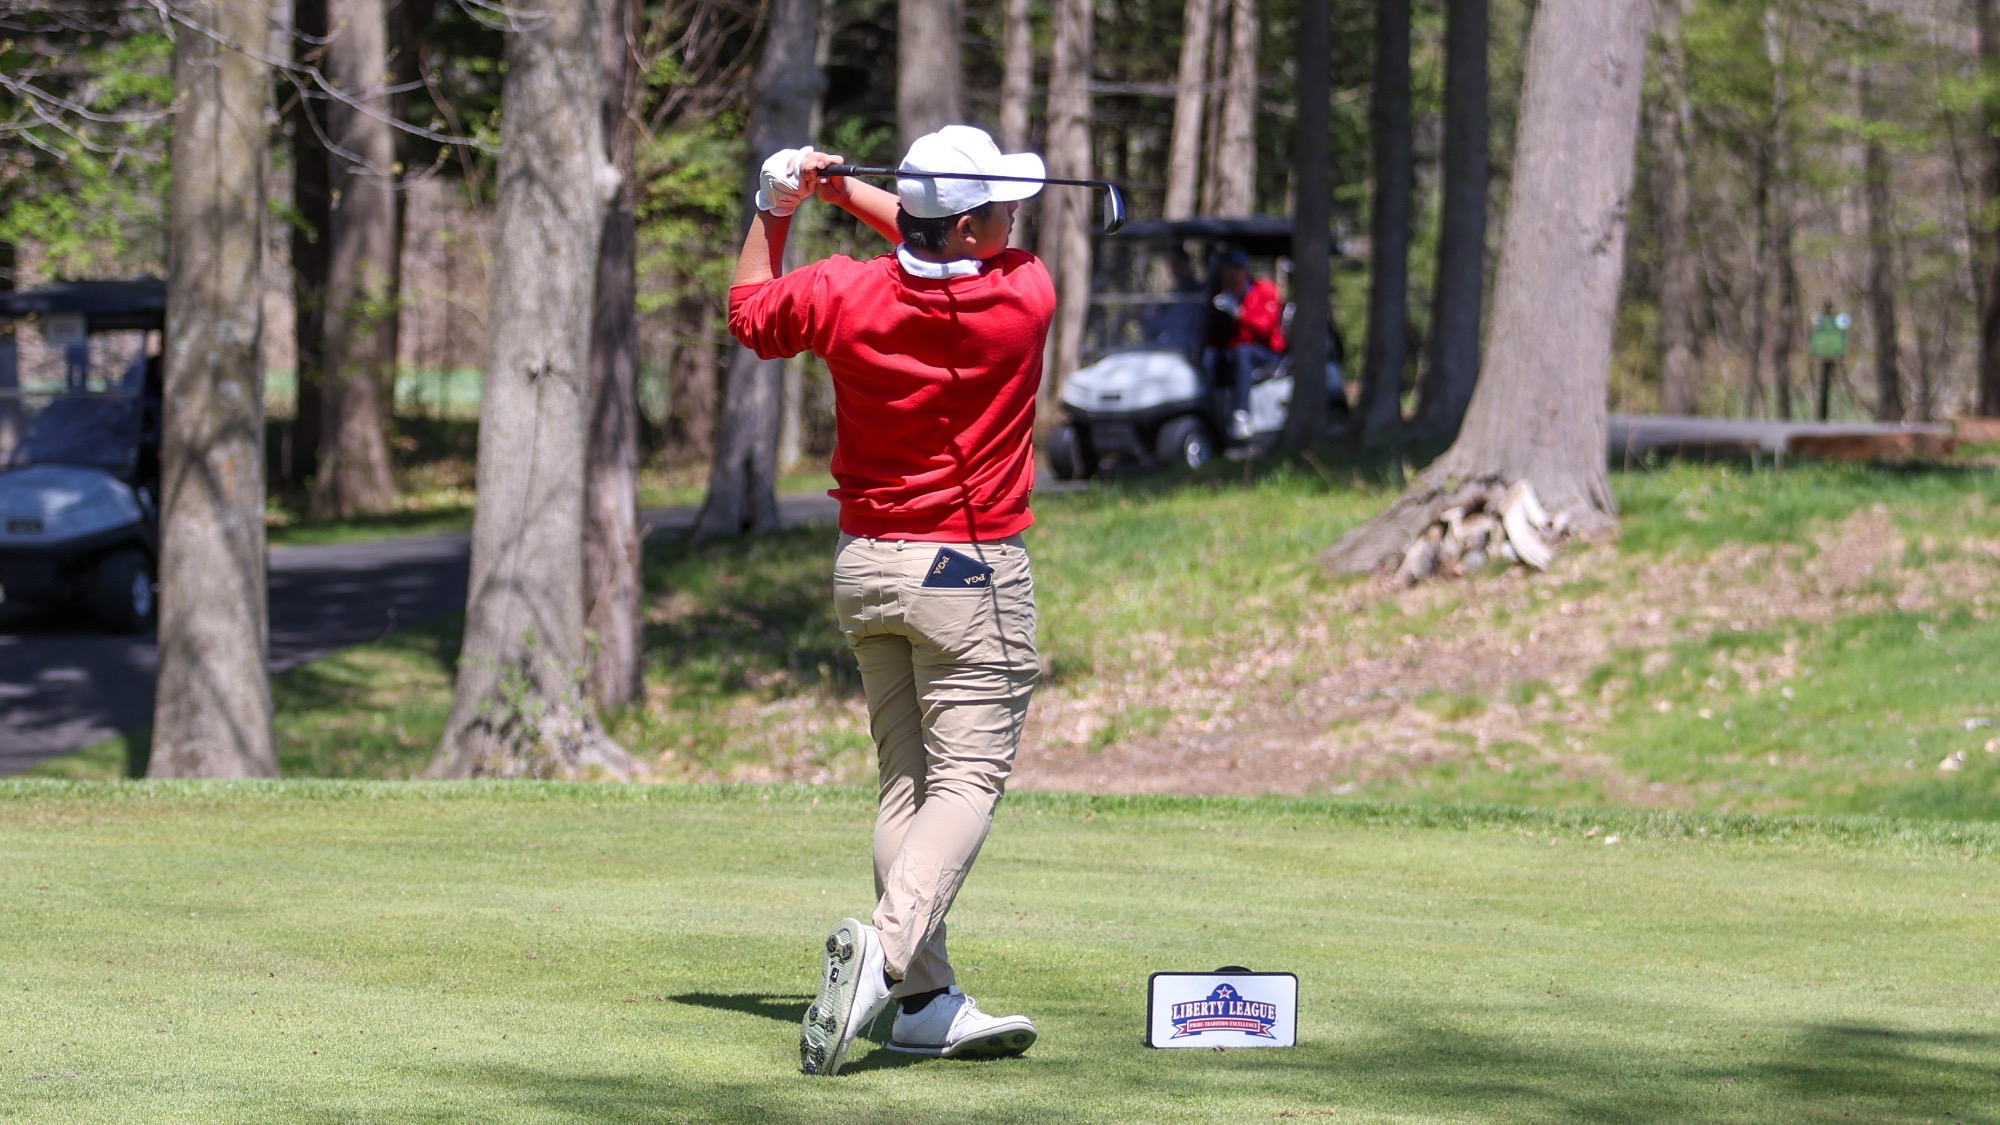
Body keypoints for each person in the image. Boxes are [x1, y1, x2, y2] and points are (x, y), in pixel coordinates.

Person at [726, 126, 1051, 1077]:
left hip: (868, 567)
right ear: (970, 227)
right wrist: (843, 191)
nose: (1012, 216)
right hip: (970, 572)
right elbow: (943, 240)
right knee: (966, 783)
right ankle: (888, 950)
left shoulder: (840, 290)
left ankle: (925, 1003)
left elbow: (750, 313)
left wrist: (779, 206)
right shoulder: (1023, 293)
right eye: (999, 204)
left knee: (907, 788)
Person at [1211, 248, 1286, 441]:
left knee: (1242, 353)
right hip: (1235, 352)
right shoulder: (1221, 295)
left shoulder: (1265, 291)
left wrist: (1240, 314)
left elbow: (1266, 329)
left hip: (1267, 353)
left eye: (1238, 269)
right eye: (1228, 269)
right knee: (1214, 354)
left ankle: (1241, 413)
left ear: (1246, 270)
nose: (1233, 275)